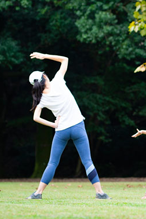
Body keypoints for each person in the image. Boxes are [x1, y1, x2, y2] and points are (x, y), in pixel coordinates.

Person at [26, 52, 110, 200]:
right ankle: (100, 193)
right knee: (87, 161)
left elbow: (35, 117)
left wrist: (53, 124)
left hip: (61, 131)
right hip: (78, 127)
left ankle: (38, 193)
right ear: (44, 77)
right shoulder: (58, 81)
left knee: (52, 163)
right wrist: (44, 56)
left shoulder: (42, 99)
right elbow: (65, 59)